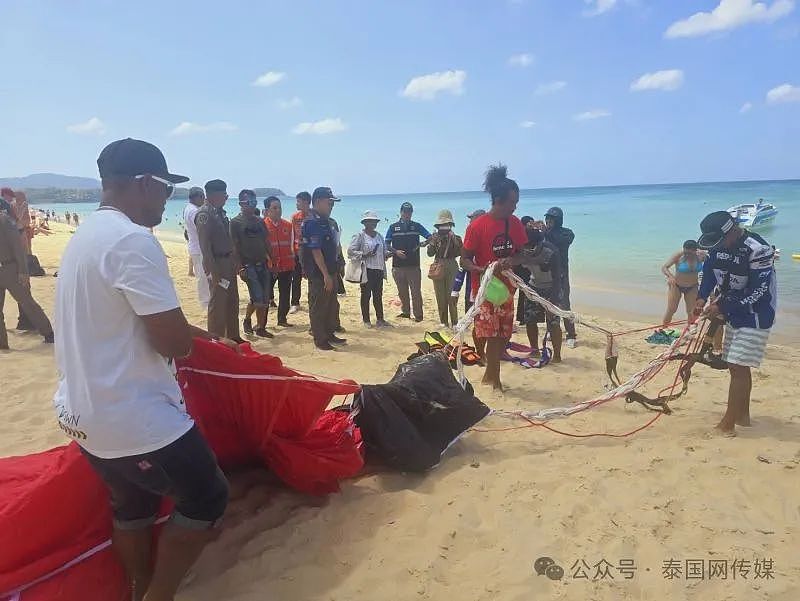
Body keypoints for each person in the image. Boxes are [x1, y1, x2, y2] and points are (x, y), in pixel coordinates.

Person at [52, 138, 230, 601]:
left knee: (132, 503)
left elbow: (125, 314)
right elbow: (171, 341)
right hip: (133, 417)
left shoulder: (86, 237)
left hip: (81, 414)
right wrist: (195, 341)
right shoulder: (133, 240)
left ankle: (136, 587)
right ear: (144, 184)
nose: (166, 200)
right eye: (165, 189)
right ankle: (158, 596)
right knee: (208, 495)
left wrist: (206, 337)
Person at [695, 211, 777, 436]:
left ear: (732, 230)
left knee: (739, 366)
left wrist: (721, 307)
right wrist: (701, 298)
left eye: (720, 240)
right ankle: (742, 416)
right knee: (735, 365)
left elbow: (759, 291)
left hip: (756, 314)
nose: (716, 246)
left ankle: (727, 425)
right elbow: (710, 274)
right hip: (732, 312)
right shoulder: (716, 247)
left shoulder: (757, 249)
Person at [462, 165, 528, 391]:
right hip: (485, 290)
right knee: (490, 334)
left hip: (507, 289)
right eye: (512, 202)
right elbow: (465, 260)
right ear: (498, 201)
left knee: (502, 335)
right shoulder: (477, 226)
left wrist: (511, 261)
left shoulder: (515, 223)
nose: (515, 206)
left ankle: (489, 375)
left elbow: (521, 253)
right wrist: (483, 269)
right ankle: (495, 379)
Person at [196, 179, 242, 342]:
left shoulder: (219, 212)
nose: (226, 197)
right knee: (218, 305)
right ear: (214, 195)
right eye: (224, 194)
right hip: (217, 263)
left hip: (227, 262)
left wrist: (235, 261)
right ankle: (217, 339)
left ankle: (233, 336)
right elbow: (205, 246)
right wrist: (213, 272)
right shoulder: (204, 214)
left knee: (232, 300)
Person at [0, 211, 54, 349]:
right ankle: (2, 344)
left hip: (10, 268)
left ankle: (48, 333)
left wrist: (23, 271)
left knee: (27, 302)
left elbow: (18, 247)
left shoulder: (5, 221)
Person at [301, 187, 346, 351]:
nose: (331, 206)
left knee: (330, 305)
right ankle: (320, 339)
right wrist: (326, 275)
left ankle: (329, 333)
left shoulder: (325, 220)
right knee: (319, 306)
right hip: (319, 273)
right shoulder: (312, 221)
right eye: (329, 202)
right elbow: (316, 251)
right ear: (318, 201)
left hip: (331, 270)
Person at [230, 189, 272, 338]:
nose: (253, 205)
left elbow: (266, 241)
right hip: (248, 265)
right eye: (249, 202)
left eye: (255, 202)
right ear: (241, 203)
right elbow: (234, 247)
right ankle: (248, 320)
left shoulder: (260, 221)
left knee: (264, 299)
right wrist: (239, 267)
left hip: (263, 263)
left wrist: (272, 258)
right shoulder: (235, 223)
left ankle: (261, 328)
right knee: (257, 298)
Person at [518, 229, 564, 362]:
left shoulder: (551, 252)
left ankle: (557, 355)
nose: (529, 251)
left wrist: (552, 302)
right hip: (533, 287)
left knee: (554, 323)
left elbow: (557, 279)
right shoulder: (522, 251)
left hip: (552, 288)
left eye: (531, 248)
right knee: (530, 320)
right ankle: (534, 351)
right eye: (526, 247)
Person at [386, 201, 431, 322]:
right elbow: (386, 244)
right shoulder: (393, 227)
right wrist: (396, 252)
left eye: (409, 212)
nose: (407, 214)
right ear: (401, 212)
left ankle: (419, 316)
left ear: (412, 213)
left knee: (416, 293)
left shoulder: (417, 226)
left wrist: (423, 244)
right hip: (398, 265)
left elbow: (430, 237)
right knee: (402, 292)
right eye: (405, 212)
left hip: (414, 265)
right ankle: (405, 312)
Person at [348, 210, 390, 328]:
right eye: (371, 221)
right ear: (365, 223)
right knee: (366, 295)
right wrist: (365, 254)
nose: (373, 224)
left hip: (379, 269)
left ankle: (380, 319)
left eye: (375, 221)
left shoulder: (379, 236)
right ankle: (366, 320)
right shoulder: (360, 236)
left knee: (378, 295)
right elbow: (350, 252)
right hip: (366, 270)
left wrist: (389, 254)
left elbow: (383, 252)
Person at [543, 207, 576, 347]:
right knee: (548, 303)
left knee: (564, 303)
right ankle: (552, 329)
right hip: (547, 273)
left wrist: (546, 232)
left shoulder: (567, 234)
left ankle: (571, 334)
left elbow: (557, 241)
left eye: (551, 219)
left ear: (558, 220)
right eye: (547, 218)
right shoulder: (544, 233)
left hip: (561, 274)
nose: (548, 221)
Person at [427, 209, 463, 328]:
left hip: (452, 265)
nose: (443, 227)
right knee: (440, 296)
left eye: (446, 225)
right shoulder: (435, 237)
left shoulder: (457, 238)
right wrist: (433, 242)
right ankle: (443, 322)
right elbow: (429, 253)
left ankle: (455, 322)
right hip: (438, 265)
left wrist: (454, 242)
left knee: (451, 295)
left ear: (450, 225)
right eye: (441, 225)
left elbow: (460, 253)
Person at [264, 196, 295, 327]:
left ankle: (282, 319)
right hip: (269, 268)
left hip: (287, 266)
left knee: (285, 295)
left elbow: (293, 245)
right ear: (267, 210)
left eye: (280, 208)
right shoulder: (262, 226)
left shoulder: (288, 225)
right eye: (274, 208)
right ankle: (262, 324)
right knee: (265, 296)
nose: (278, 210)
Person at [661, 239, 707, 326]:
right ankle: (664, 328)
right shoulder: (679, 255)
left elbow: (711, 267)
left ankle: (688, 332)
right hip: (676, 286)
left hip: (692, 287)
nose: (687, 255)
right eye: (685, 252)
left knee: (691, 311)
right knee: (671, 309)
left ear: (695, 250)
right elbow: (664, 267)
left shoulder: (701, 256)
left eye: (690, 253)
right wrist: (670, 276)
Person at [452, 209, 486, 313]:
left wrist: (455, 291)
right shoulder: (471, 238)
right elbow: (463, 265)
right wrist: (455, 290)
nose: (469, 222)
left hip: (486, 287)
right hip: (472, 288)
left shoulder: (482, 238)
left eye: (471, 219)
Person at [183, 187, 210, 310]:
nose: (204, 199)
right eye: (203, 197)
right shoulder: (194, 211)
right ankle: (205, 302)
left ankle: (206, 300)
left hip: (195, 246)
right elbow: (201, 229)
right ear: (198, 197)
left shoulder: (189, 208)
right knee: (203, 277)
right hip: (199, 248)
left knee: (203, 276)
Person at [290, 191, 312, 314]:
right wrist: (292, 250)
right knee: (296, 278)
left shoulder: (313, 215)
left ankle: (311, 300)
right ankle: (295, 303)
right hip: (298, 251)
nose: (297, 204)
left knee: (311, 278)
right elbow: (292, 234)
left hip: (311, 252)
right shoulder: (295, 217)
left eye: (298, 201)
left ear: (306, 202)